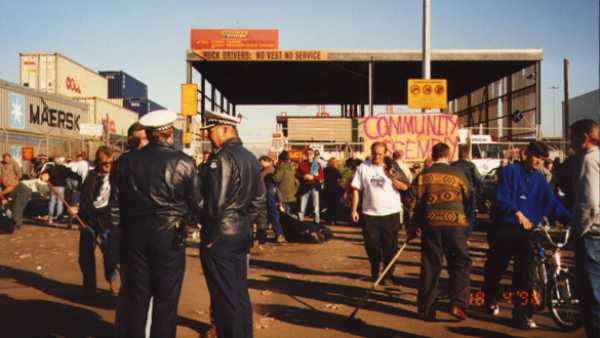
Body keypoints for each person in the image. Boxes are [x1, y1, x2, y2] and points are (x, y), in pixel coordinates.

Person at [111, 110, 203, 338]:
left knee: (137, 297)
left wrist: (118, 235)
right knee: (166, 300)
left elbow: (115, 204)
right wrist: (189, 222)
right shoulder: (184, 162)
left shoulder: (125, 161)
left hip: (134, 236)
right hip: (170, 237)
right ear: (169, 132)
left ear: (148, 134)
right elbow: (196, 204)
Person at [483, 141, 571, 329]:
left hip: (528, 233)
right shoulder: (510, 172)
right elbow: (501, 196)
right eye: (536, 156)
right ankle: (489, 298)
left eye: (542, 158)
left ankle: (521, 315)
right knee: (496, 269)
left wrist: (569, 219)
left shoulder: (540, 179)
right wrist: (517, 212)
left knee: (525, 276)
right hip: (505, 229)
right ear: (526, 154)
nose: (539, 161)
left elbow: (552, 203)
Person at [198, 110, 266, 338]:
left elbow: (214, 204)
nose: (208, 135)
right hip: (239, 234)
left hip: (220, 236)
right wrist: (244, 223)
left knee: (224, 298)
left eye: (211, 130)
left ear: (226, 129)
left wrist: (209, 233)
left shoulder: (222, 158)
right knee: (239, 295)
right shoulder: (249, 157)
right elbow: (259, 200)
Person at [405, 143, 472, 321]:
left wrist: (412, 225)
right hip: (455, 224)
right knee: (460, 263)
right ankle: (458, 303)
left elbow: (410, 201)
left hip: (431, 224)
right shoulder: (459, 174)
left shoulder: (423, 175)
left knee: (431, 265)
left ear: (433, 155)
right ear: (448, 156)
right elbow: (469, 197)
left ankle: (427, 308)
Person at [351, 142, 407, 285]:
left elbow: (405, 186)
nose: (377, 157)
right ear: (371, 152)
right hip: (370, 214)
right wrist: (354, 210)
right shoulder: (363, 167)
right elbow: (356, 190)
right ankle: (375, 266)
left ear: (385, 153)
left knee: (390, 246)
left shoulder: (392, 167)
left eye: (380, 154)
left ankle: (388, 275)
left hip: (390, 213)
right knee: (371, 246)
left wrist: (392, 177)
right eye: (375, 153)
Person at [569, 119, 600, 338]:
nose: (570, 142)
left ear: (585, 136)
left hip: (592, 236)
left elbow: (589, 203)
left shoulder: (588, 160)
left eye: (573, 136)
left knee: (592, 296)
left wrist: (578, 230)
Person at [74, 146, 119, 297]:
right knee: (85, 255)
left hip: (108, 221)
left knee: (110, 255)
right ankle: (89, 286)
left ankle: (112, 280)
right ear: (98, 162)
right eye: (104, 163)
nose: (108, 166)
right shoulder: (91, 176)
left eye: (110, 163)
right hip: (88, 220)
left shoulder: (118, 176)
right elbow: (85, 197)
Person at [452, 145, 482, 237]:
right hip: (469, 193)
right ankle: (466, 235)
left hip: (455, 193)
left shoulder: (452, 165)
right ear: (467, 155)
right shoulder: (471, 166)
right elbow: (478, 179)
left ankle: (456, 234)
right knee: (469, 215)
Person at [45, 157, 81, 225]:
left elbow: (44, 174)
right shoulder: (63, 168)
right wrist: (79, 177)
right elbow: (71, 174)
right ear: (61, 162)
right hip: (61, 187)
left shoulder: (50, 169)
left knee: (52, 203)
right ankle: (59, 218)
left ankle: (50, 219)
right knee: (60, 202)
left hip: (52, 187)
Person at [259, 155, 285, 243]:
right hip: (268, 194)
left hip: (269, 194)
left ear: (266, 161)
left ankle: (279, 234)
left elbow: (263, 181)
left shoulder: (270, 170)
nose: (260, 163)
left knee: (272, 214)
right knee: (271, 215)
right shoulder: (267, 170)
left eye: (261, 162)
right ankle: (277, 234)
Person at [297, 148, 324, 224]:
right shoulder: (302, 164)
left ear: (313, 155)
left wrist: (313, 177)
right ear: (305, 155)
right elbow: (297, 174)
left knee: (316, 206)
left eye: (311, 153)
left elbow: (321, 176)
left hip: (314, 186)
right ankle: (300, 222)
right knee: (302, 206)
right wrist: (303, 177)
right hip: (304, 186)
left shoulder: (317, 164)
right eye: (307, 154)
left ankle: (316, 222)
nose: (309, 155)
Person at [323, 157, 344, 225]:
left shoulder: (325, 170)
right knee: (335, 206)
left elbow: (323, 179)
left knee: (328, 205)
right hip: (335, 189)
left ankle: (328, 220)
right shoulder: (336, 170)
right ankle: (334, 220)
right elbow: (339, 179)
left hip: (327, 189)